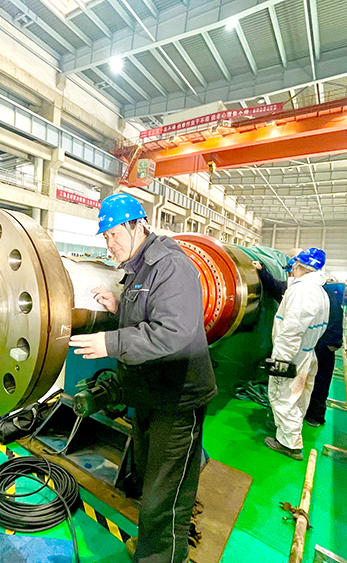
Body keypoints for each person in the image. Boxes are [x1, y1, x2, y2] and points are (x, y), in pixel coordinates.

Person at [69, 193, 216, 563]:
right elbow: (147, 317)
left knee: (166, 491)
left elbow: (173, 332)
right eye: (105, 237)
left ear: (138, 226)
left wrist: (110, 342)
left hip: (177, 397)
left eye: (114, 234)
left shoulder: (170, 265)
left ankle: (162, 557)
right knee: (152, 477)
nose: (110, 244)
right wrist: (118, 307)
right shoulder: (138, 269)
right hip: (151, 393)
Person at [265, 248, 329, 461]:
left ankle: (289, 444)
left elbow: (292, 329)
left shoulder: (302, 291)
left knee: (283, 396)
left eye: (294, 266)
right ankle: (289, 431)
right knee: (298, 396)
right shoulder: (319, 290)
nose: (292, 270)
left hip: (293, 355)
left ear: (302, 266)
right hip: (307, 351)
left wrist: (281, 359)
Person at [304, 282, 344, 427]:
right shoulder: (328, 293)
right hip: (326, 343)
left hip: (321, 343)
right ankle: (314, 415)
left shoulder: (314, 293)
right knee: (320, 379)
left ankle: (313, 414)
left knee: (317, 379)